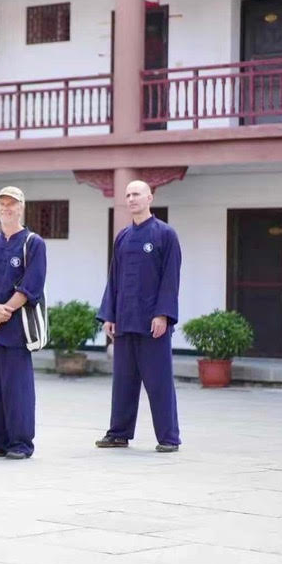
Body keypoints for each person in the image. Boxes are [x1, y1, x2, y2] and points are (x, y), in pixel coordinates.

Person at [96, 179, 182, 452]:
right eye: (128, 195)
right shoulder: (122, 236)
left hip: (152, 324)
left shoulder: (165, 235)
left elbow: (171, 280)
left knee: (159, 382)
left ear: (150, 198)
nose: (131, 199)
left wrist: (163, 315)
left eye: (137, 194)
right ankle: (118, 433)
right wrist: (109, 314)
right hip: (124, 320)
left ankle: (168, 438)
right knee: (123, 381)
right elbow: (114, 278)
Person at [0, 186, 46, 460]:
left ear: (21, 207)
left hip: (15, 329)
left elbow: (31, 285)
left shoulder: (33, 243)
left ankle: (20, 443)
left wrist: (2, 314)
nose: (6, 208)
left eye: (11, 204)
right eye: (2, 203)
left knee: (17, 388)